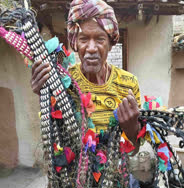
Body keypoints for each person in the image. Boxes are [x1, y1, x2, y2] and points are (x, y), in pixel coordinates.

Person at [31, 0, 141, 151]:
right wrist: (43, 95)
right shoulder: (63, 82)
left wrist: (131, 129)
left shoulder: (129, 83)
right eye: (83, 39)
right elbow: (55, 142)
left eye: (100, 39)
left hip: (116, 173)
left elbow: (135, 149)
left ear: (110, 43)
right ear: (75, 43)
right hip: (75, 174)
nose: (91, 48)